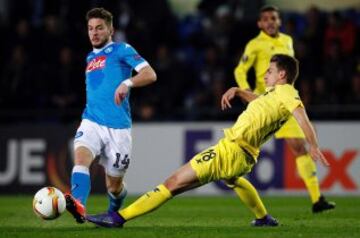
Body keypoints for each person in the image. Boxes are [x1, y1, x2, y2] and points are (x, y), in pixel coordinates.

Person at [86, 54, 330, 228]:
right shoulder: (274, 95)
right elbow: (259, 102)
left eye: (270, 71)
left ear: (282, 75)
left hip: (231, 151)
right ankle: (263, 218)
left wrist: (313, 145)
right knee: (232, 179)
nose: (266, 74)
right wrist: (237, 90)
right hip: (242, 155)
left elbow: (302, 116)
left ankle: (118, 218)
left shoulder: (288, 92)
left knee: (172, 183)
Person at [234, 5, 335, 213]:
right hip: (265, 104)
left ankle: (317, 200)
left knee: (299, 146)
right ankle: (227, 173)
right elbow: (240, 69)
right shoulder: (254, 45)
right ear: (259, 24)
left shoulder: (287, 41)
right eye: (266, 19)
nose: (270, 22)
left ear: (279, 21)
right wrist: (245, 91)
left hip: (284, 102)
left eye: (273, 18)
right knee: (244, 145)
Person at [65, 8, 157, 223]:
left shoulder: (122, 49)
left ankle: (114, 209)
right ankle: (79, 205)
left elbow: (150, 74)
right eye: (90, 29)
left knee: (113, 187)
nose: (94, 33)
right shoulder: (89, 57)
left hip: (118, 128)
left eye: (99, 28)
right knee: (80, 159)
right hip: (91, 121)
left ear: (111, 30)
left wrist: (127, 82)